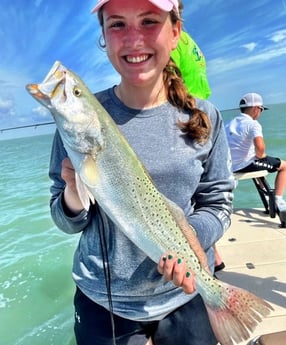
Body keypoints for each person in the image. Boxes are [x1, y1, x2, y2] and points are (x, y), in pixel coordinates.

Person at [49, 0, 234, 344]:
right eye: (117, 24)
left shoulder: (206, 115)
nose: (133, 39)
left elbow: (219, 202)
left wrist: (190, 238)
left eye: (149, 21)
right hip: (102, 298)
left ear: (176, 31)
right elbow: (64, 219)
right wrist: (74, 195)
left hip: (187, 293)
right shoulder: (81, 119)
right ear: (103, 36)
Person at [225, 92, 286, 212]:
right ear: (256, 109)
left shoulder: (228, 123)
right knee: (284, 166)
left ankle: (269, 199)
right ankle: (278, 200)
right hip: (245, 165)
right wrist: (262, 156)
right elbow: (260, 149)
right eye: (262, 109)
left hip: (230, 166)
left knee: (258, 161)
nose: (261, 112)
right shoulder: (253, 124)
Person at [171, 30, 211, 99]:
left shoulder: (172, 40)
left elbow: (168, 78)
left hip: (185, 102)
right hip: (202, 101)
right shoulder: (187, 39)